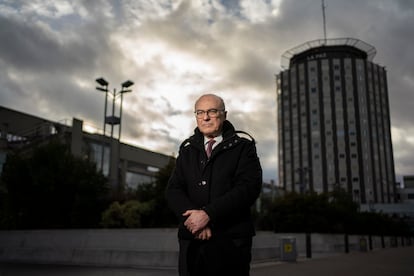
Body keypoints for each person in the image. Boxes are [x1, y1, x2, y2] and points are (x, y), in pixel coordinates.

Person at [165, 93, 262, 276]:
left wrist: (209, 214)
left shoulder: (243, 147)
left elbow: (248, 188)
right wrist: (194, 220)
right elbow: (173, 190)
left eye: (211, 111)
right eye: (200, 112)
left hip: (231, 239)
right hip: (192, 238)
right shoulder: (187, 151)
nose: (206, 117)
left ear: (224, 115)